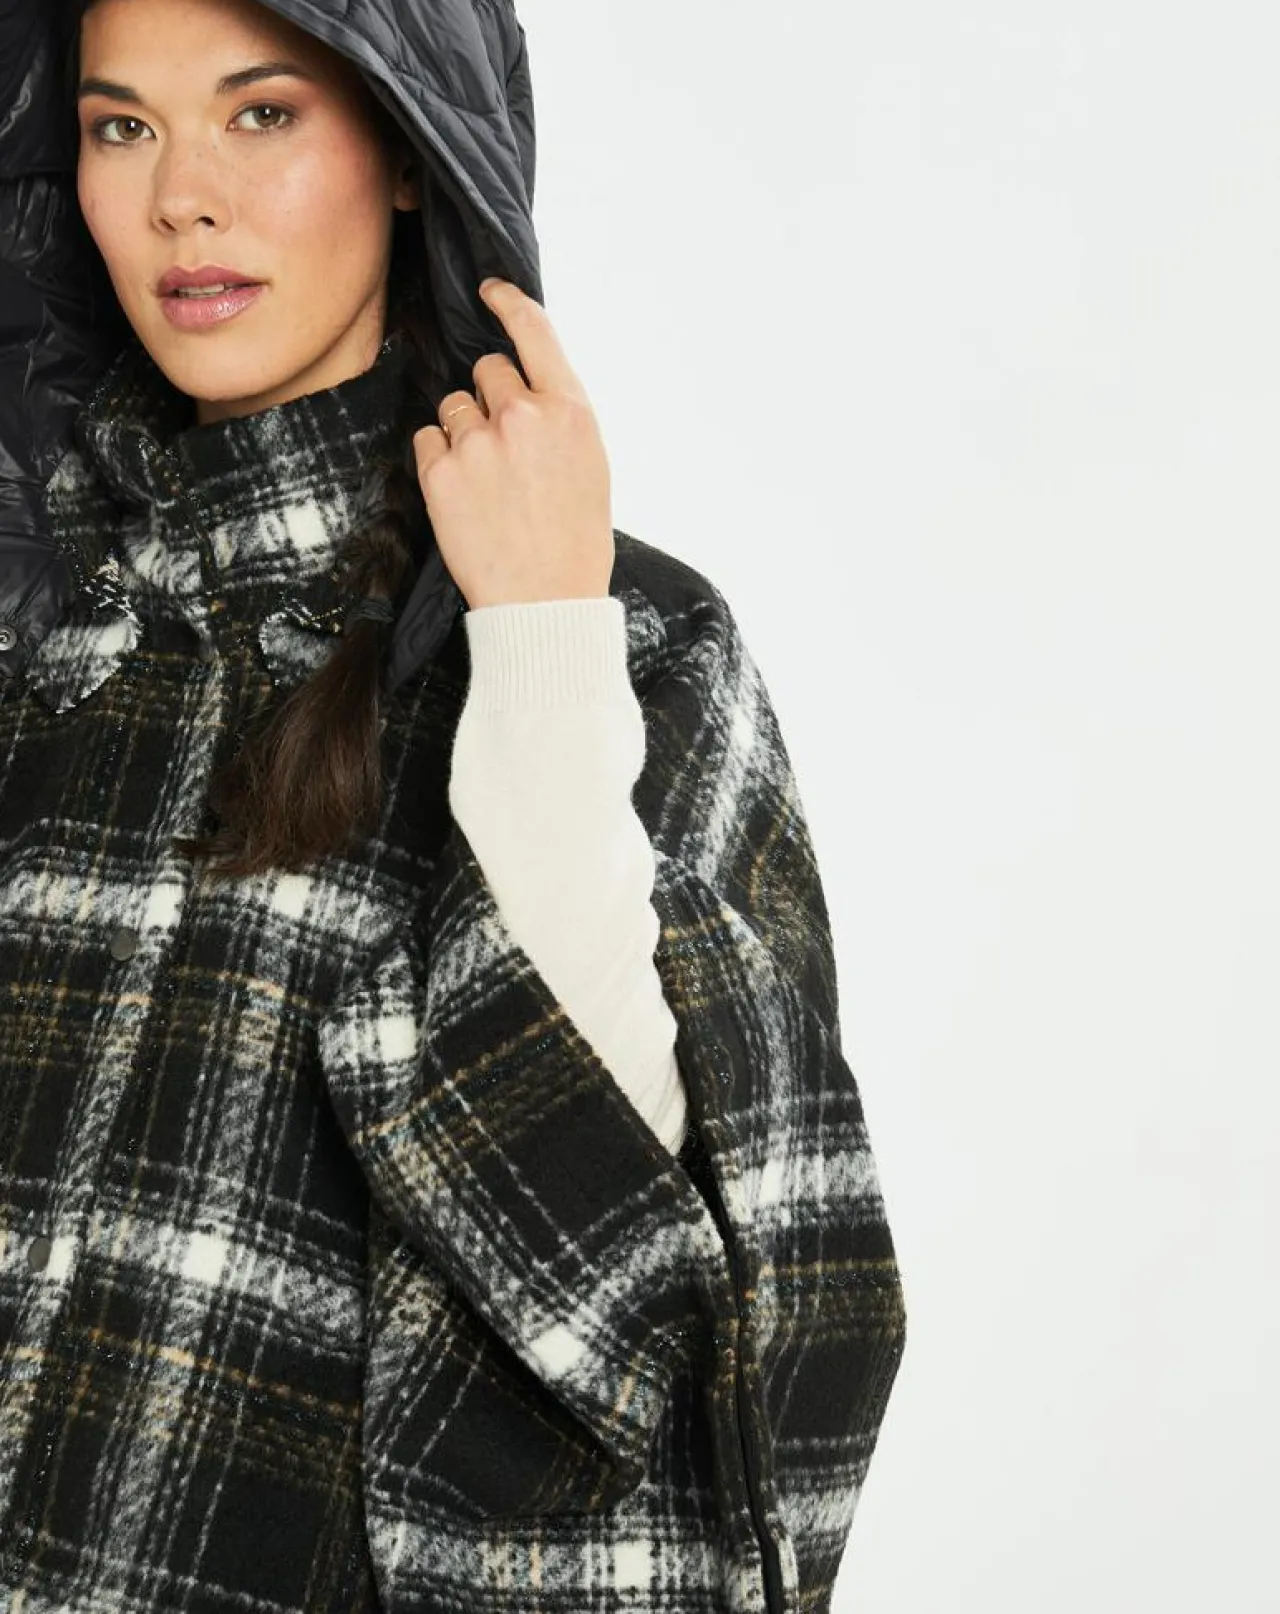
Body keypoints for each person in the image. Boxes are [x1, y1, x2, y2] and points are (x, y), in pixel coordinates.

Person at [0, 0, 908, 1610]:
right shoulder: (40, 623)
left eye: (263, 113)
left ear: (409, 148)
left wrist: (538, 637)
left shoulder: (629, 640)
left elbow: (702, 1277)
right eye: (120, 126)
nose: (180, 198)